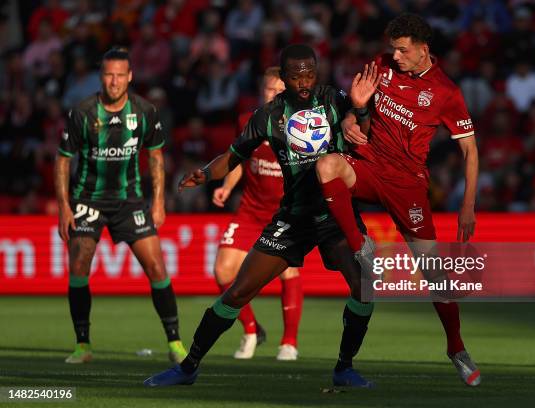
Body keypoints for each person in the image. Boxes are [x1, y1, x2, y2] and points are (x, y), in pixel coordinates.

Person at [144, 44, 377, 388]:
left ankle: (344, 368)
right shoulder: (267, 116)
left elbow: (365, 133)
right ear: (283, 78)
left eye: (310, 74)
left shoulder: (335, 99)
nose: (304, 82)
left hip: (334, 216)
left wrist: (359, 107)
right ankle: (188, 366)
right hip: (293, 219)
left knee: (364, 287)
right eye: (296, 76)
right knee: (238, 292)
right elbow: (234, 154)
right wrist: (207, 174)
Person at [315, 13, 481, 386]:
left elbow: (470, 151)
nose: (396, 55)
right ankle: (361, 248)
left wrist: (467, 205)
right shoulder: (381, 66)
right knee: (326, 166)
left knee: (434, 274)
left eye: (403, 50)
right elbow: (358, 113)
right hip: (370, 166)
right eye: (393, 48)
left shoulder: (446, 92)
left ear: (424, 50)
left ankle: (456, 348)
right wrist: (351, 117)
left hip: (407, 185)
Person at [55, 47, 188, 364]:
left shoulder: (144, 111)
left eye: (120, 75)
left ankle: (176, 343)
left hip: (130, 200)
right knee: (78, 265)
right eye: (108, 75)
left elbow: (156, 156)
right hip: (88, 199)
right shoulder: (82, 112)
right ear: (101, 77)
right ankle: (83, 345)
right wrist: (63, 206)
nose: (114, 82)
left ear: (130, 77)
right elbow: (62, 161)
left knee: (156, 267)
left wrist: (158, 202)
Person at [213, 67, 303, 361]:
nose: (275, 95)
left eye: (281, 91)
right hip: (251, 211)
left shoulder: (303, 126)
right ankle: (251, 330)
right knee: (223, 271)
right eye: (269, 90)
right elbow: (239, 158)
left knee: (288, 270)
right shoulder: (248, 121)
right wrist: (227, 187)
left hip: (285, 215)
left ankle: (289, 342)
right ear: (261, 92)